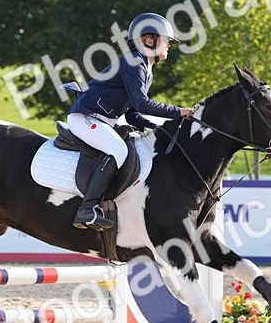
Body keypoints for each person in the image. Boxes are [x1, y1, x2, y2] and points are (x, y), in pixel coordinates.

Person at [66, 13, 192, 231]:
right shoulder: (134, 63)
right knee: (118, 149)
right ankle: (87, 210)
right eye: (166, 40)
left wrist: (158, 129)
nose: (169, 45)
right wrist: (178, 112)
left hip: (102, 119)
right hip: (85, 117)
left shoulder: (144, 67)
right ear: (148, 40)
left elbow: (133, 113)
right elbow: (143, 104)